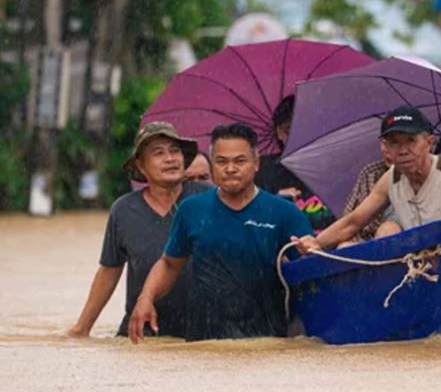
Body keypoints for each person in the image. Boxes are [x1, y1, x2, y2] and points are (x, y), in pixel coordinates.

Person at [128, 123, 312, 343]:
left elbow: (309, 272)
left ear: (256, 163)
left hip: (266, 344)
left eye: (240, 161)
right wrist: (146, 298)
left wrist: (311, 251)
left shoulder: (285, 212)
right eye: (222, 161)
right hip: (203, 344)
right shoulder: (191, 210)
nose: (230, 168)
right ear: (212, 165)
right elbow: (169, 264)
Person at [291, 106, 441, 253]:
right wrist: (316, 243)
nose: (402, 150)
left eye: (411, 141)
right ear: (385, 147)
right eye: (394, 142)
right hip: (422, 265)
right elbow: (354, 222)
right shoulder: (391, 179)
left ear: (430, 142)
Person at [66, 122, 207, 338]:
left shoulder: (208, 199)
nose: (170, 159)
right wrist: (82, 328)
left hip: (201, 332)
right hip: (142, 332)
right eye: (158, 153)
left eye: (175, 151)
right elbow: (109, 271)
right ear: (141, 166)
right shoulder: (123, 210)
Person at [257, 95, 335, 230]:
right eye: (289, 129)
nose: (297, 136)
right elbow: (251, 223)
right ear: (279, 133)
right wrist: (274, 204)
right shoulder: (260, 170)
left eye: (304, 128)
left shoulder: (335, 169)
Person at [338, 141, 397, 246]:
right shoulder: (372, 173)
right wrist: (316, 243)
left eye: (395, 143)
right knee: (344, 246)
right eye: (385, 143)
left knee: (389, 229)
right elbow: (351, 222)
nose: (387, 150)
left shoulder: (433, 170)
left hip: (412, 242)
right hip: (371, 241)